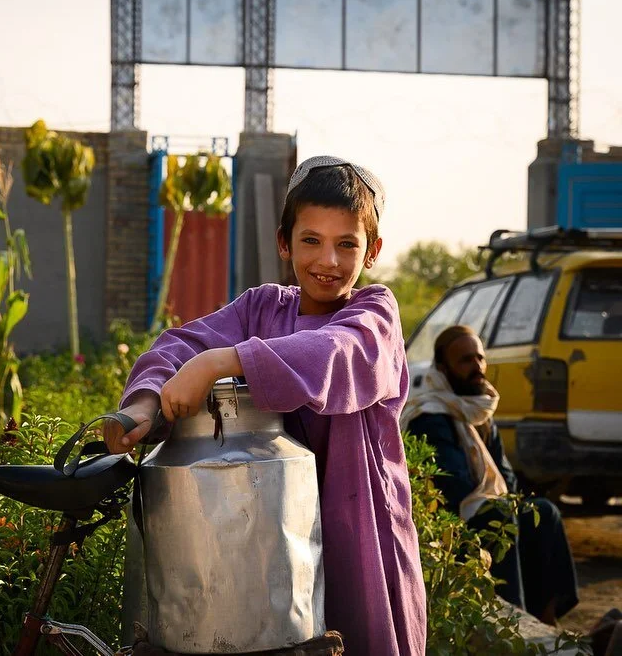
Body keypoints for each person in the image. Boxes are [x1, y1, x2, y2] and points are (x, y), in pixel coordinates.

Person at [104, 156, 426, 656]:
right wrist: (147, 405)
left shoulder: (375, 314)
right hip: (271, 534)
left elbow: (333, 352)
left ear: (372, 250)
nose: (329, 261)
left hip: (358, 529)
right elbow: (181, 345)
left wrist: (222, 362)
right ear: (284, 242)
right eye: (311, 240)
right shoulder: (261, 308)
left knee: (357, 636)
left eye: (347, 244)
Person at [402, 325, 579, 625]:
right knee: (499, 515)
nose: (477, 368)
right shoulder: (431, 417)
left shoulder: (479, 411)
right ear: (443, 369)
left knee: (544, 512)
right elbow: (453, 488)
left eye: (480, 359)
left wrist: (506, 499)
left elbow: (506, 477)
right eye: (466, 361)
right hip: (450, 521)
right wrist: (497, 501)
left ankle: (545, 619)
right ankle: (512, 622)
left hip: (485, 506)